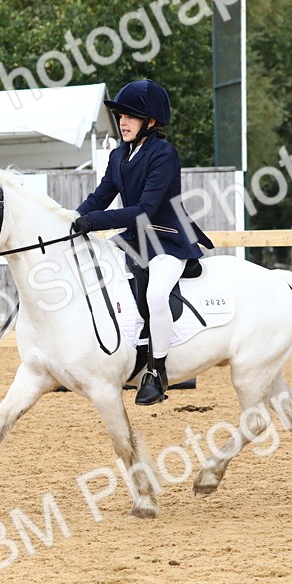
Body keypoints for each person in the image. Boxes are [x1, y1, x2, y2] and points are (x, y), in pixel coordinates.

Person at [72, 79, 213, 405]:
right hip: (134, 239)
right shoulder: (119, 155)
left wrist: (94, 222)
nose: (123, 122)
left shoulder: (163, 154)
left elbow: (145, 209)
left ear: (150, 121)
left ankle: (156, 372)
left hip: (166, 239)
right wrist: (72, 218)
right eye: (121, 116)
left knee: (156, 294)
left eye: (131, 116)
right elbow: (100, 196)